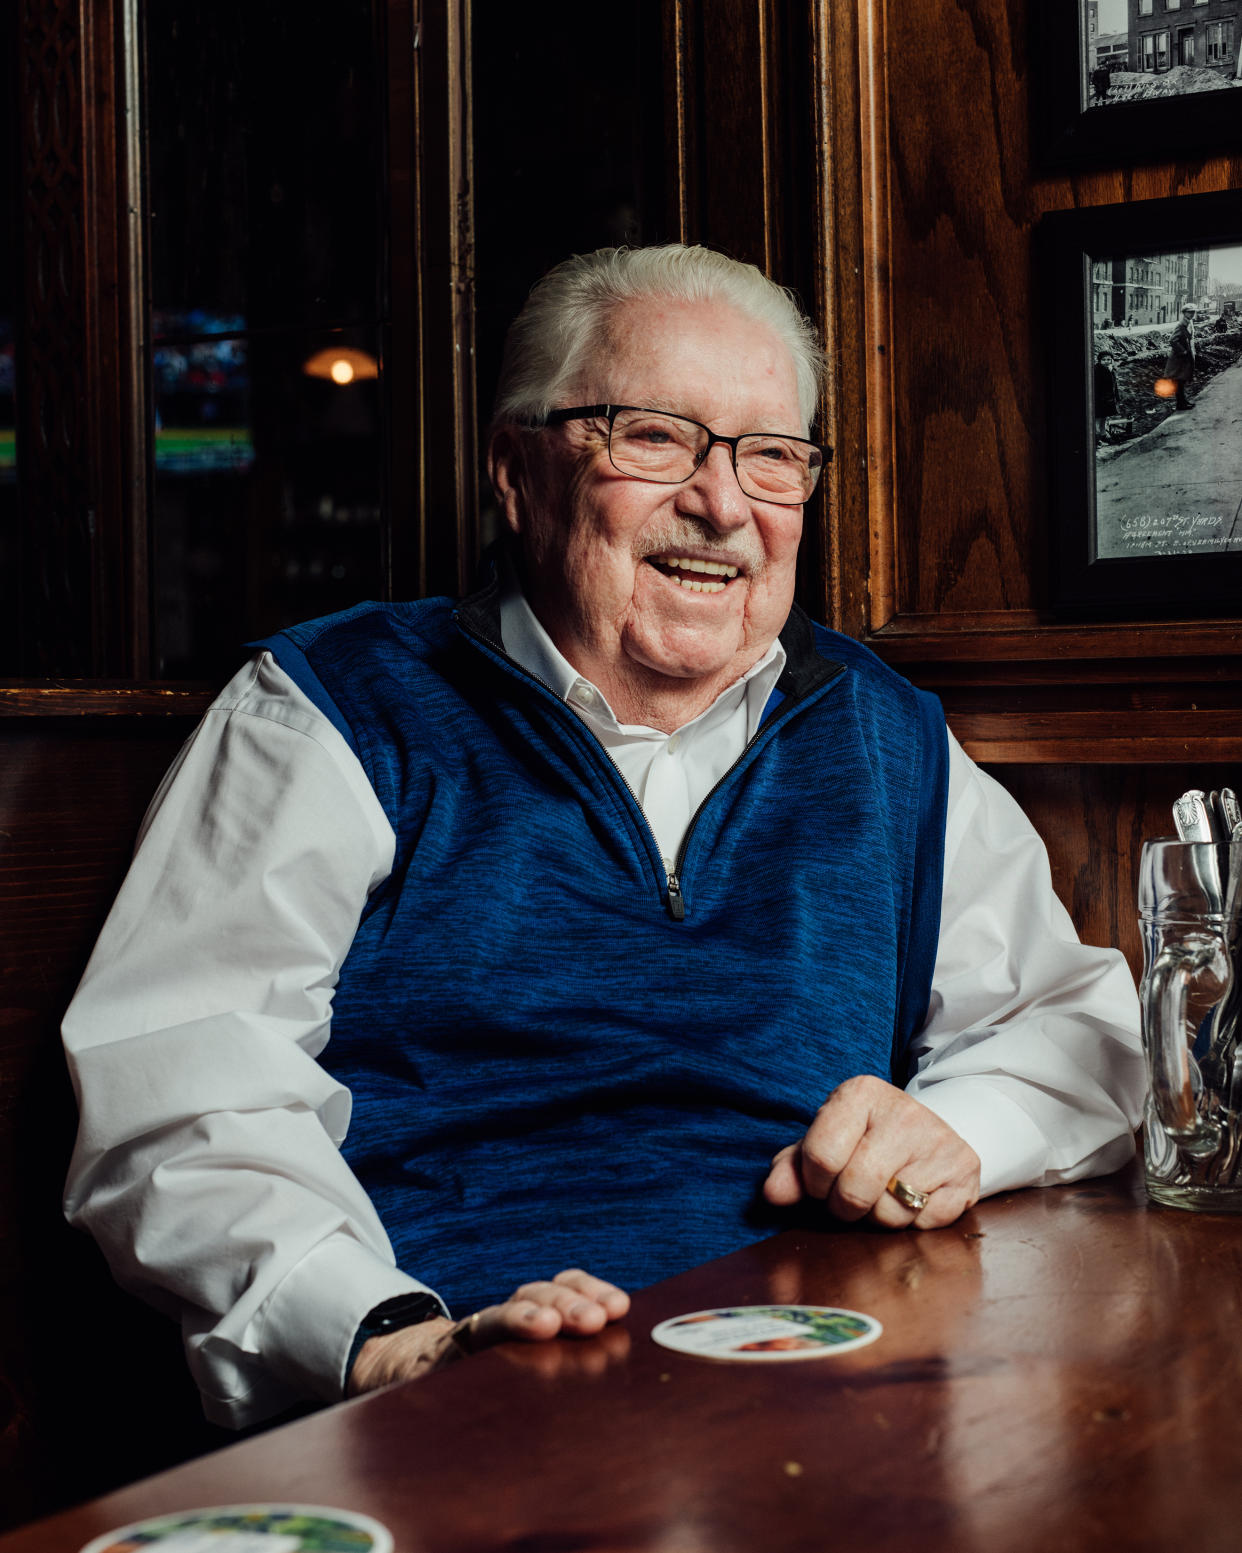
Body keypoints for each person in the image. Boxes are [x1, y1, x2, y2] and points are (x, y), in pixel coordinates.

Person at [60, 244, 1145, 1431]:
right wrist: (382, 1336)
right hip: (477, 1402)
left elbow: (1077, 1031)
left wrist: (956, 1131)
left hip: (832, 1385)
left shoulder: (887, 734)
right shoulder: (332, 709)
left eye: (771, 457)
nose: (723, 504)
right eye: (654, 437)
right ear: (516, 471)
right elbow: (179, 1092)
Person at [1164, 305, 1197, 411]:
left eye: (1193, 312)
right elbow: (1173, 340)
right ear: (1184, 313)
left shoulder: (1189, 323)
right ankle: (1180, 404)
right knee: (1178, 382)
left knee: (1182, 381)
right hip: (1178, 359)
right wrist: (1183, 351)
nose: (1192, 314)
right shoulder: (1181, 325)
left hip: (1185, 358)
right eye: (1189, 312)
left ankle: (1183, 402)